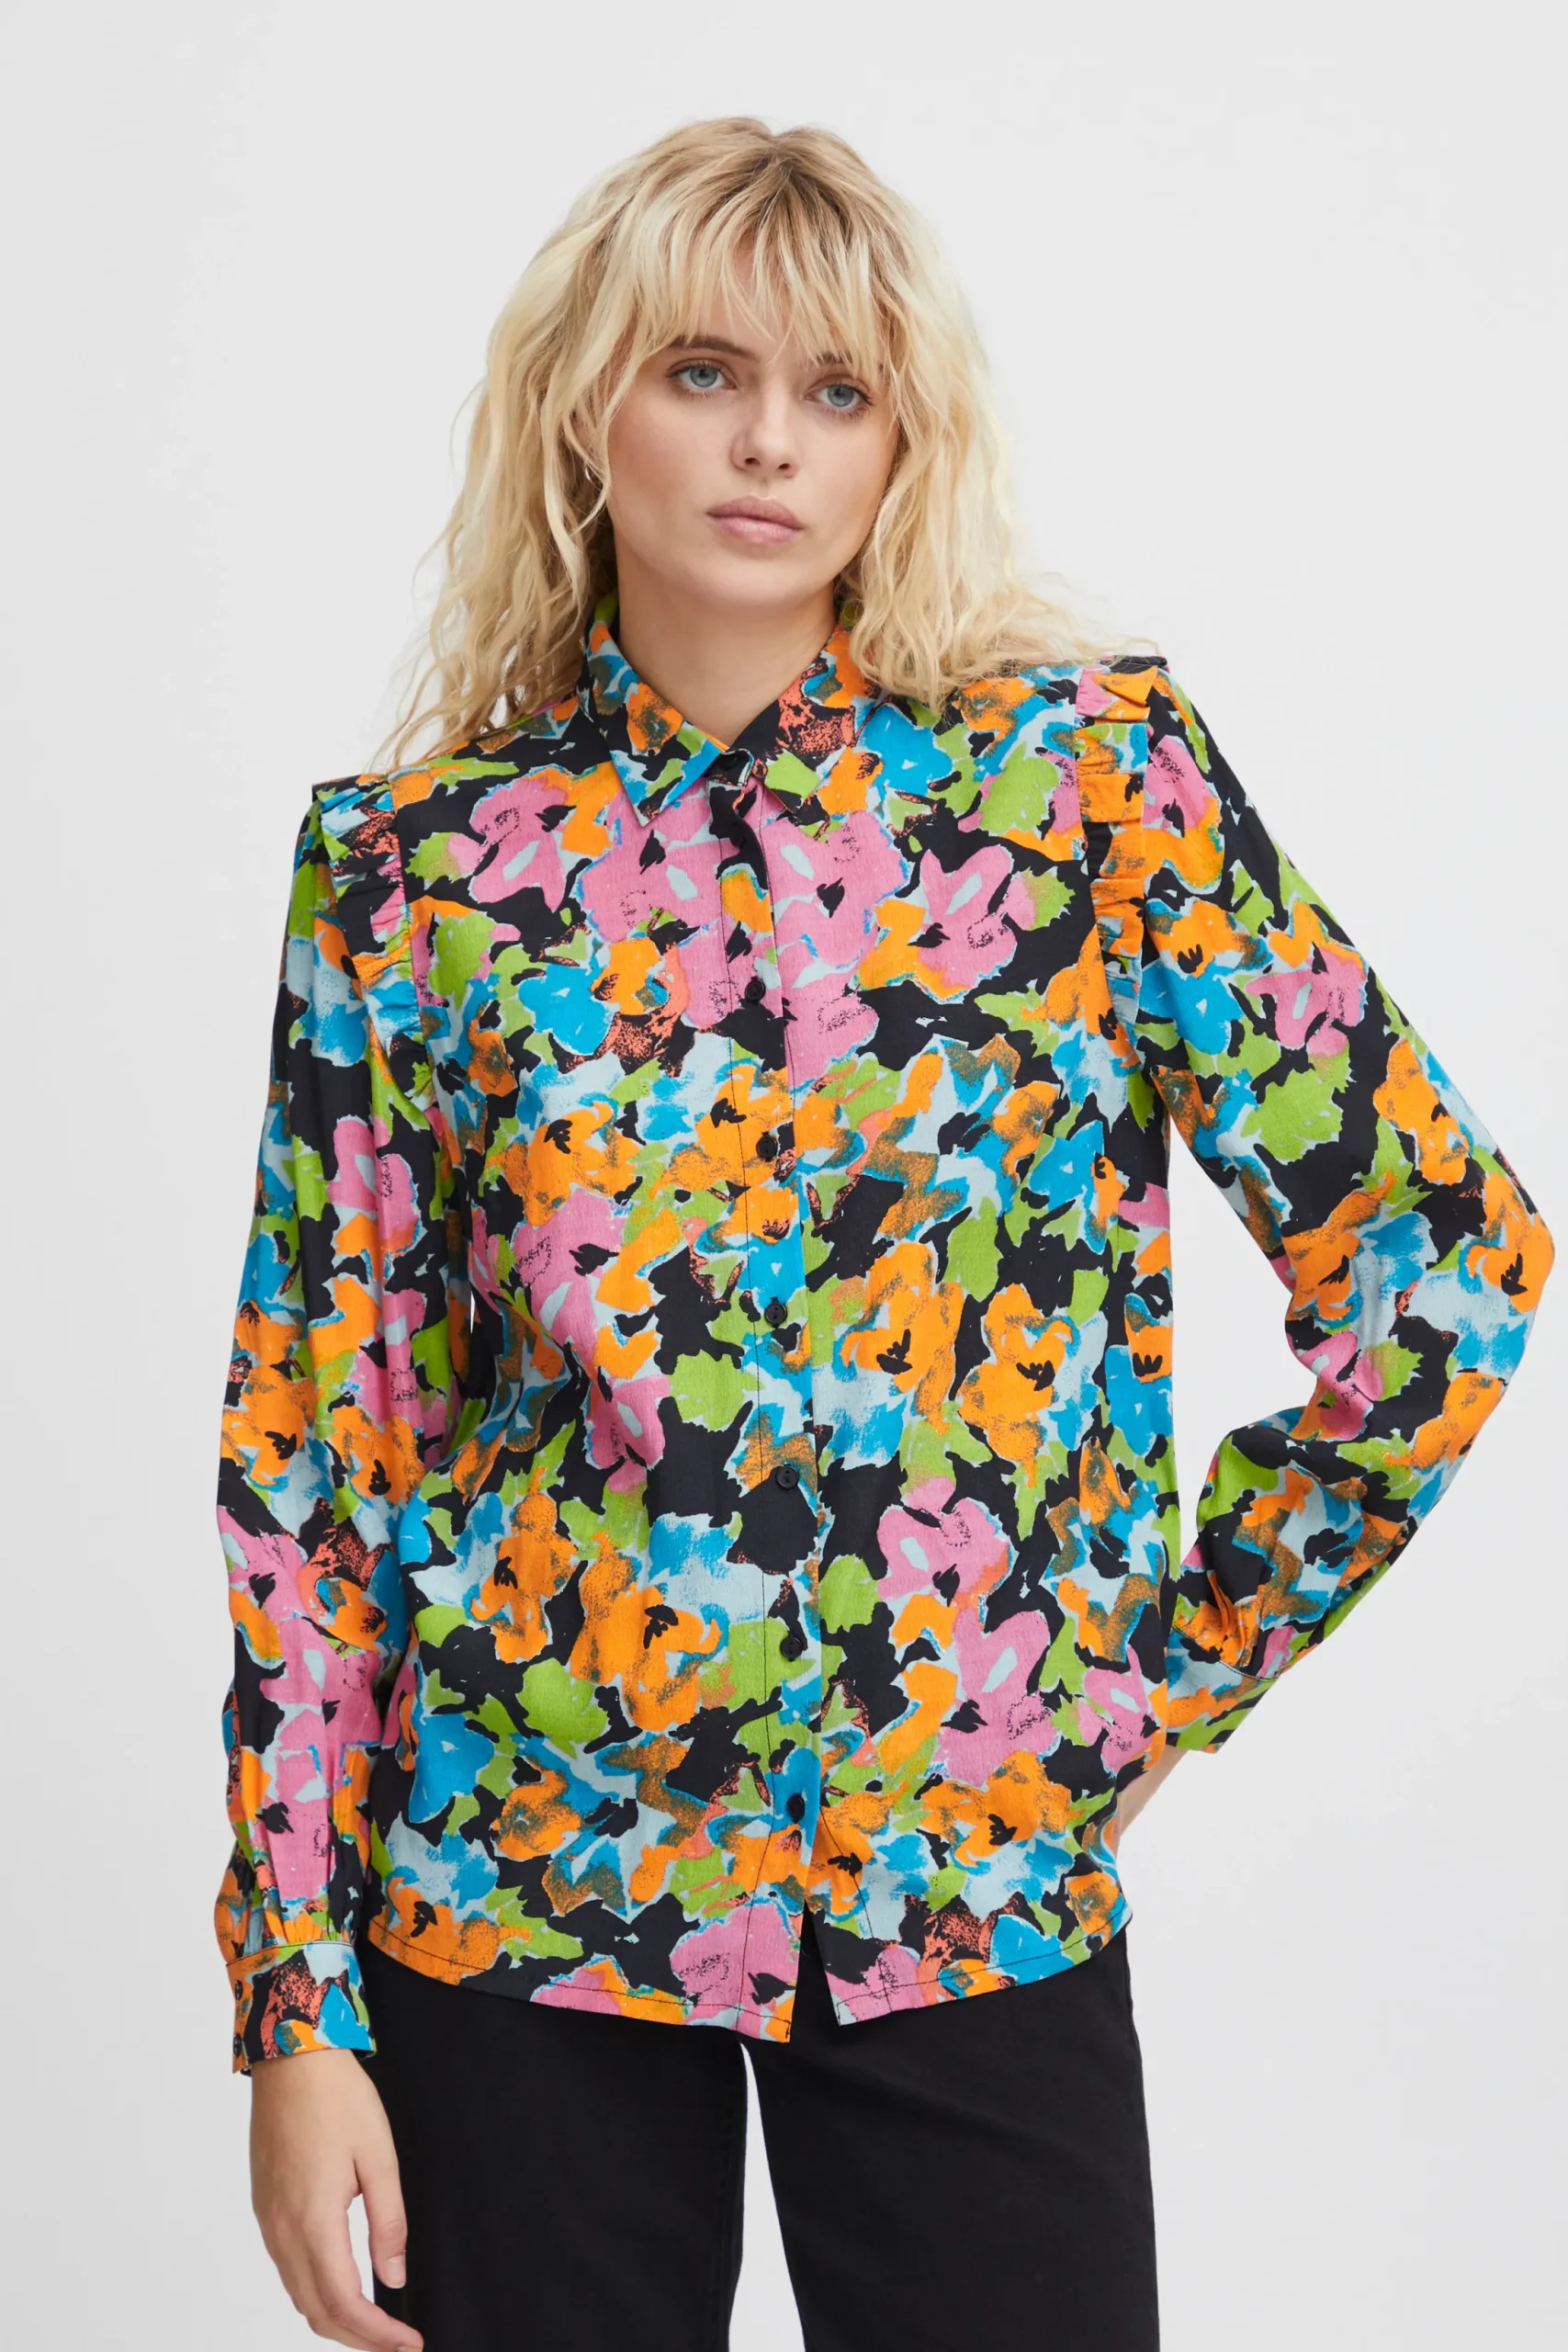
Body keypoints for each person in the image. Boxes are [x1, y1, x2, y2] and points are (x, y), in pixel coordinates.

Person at [213, 117, 1554, 2352]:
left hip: (967, 1876)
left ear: (903, 442)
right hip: (511, 1892)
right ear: (585, 403)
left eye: (837, 391)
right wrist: (294, 1998)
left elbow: (1442, 1254)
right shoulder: (414, 873)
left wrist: (1162, 1665)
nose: (769, 441)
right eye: (704, 371)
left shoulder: (1091, 791)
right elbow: (316, 1447)